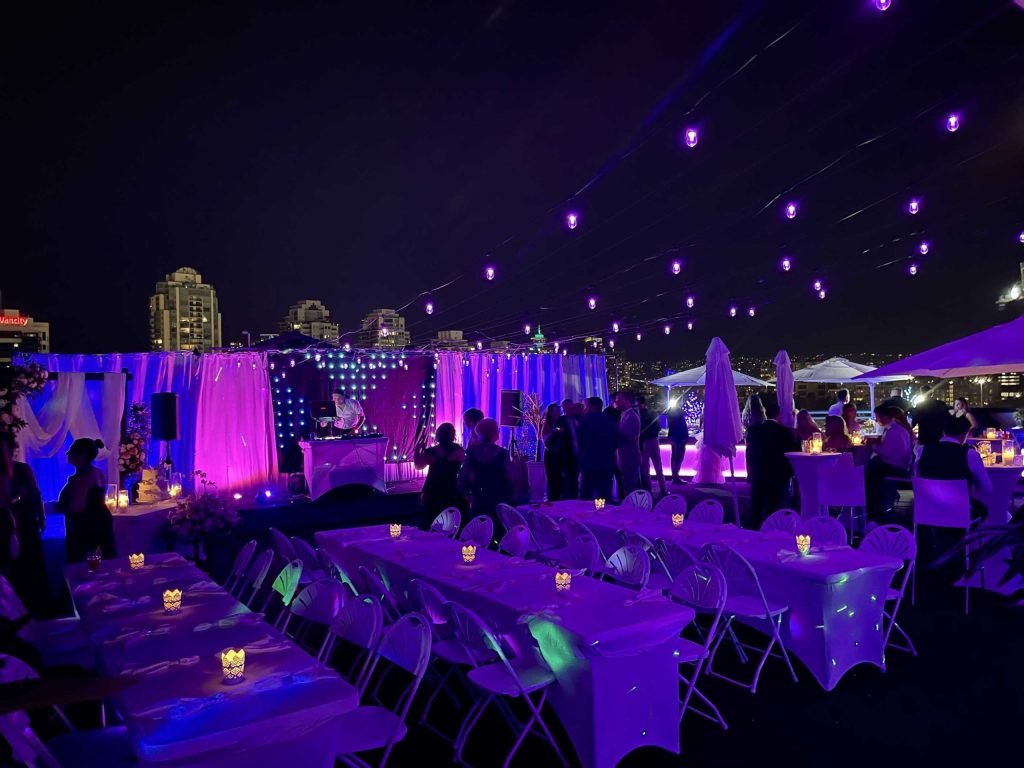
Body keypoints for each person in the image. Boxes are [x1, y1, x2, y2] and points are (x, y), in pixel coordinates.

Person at [0, 433, 48, 613]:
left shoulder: (22, 469)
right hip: (6, 523)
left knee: (30, 559)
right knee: (12, 562)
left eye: (10, 449)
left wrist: (41, 516)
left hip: (25, 520)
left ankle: (35, 601)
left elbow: (36, 494)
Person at [916, 416, 992, 519]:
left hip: (927, 509)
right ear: (965, 433)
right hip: (958, 513)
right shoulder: (969, 454)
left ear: (943, 432)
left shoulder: (922, 450)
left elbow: (917, 476)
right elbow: (986, 489)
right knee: (982, 509)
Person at [56, 438, 115, 563]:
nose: (67, 453)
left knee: (86, 566)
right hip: (98, 521)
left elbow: (77, 506)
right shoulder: (96, 472)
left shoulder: (84, 477)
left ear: (81, 455)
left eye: (71, 451)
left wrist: (56, 507)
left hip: (86, 526)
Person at [746, 401, 800, 527]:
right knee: (775, 503)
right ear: (779, 414)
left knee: (757, 503)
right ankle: (773, 529)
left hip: (759, 471)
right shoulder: (785, 432)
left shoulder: (754, 430)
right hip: (779, 473)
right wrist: (790, 473)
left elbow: (749, 452)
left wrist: (750, 470)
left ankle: (754, 529)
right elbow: (790, 454)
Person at [457, 418, 512, 524]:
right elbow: (509, 476)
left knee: (478, 527)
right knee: (497, 528)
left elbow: (462, 475)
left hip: (478, 496)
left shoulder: (472, 451)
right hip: (497, 496)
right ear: (494, 433)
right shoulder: (502, 453)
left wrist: (466, 493)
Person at [864, 405, 914, 519]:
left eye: (878, 417)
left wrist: (872, 444)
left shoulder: (893, 431)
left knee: (870, 473)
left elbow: (885, 451)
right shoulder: (900, 430)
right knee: (873, 466)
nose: (877, 420)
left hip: (896, 467)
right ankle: (878, 503)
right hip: (902, 465)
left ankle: (873, 509)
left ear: (885, 417)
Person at [415, 423, 467, 521]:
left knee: (432, 518)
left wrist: (417, 450)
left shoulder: (432, 452)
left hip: (433, 488)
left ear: (438, 435)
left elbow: (418, 466)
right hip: (451, 487)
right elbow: (464, 468)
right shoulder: (458, 451)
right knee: (451, 519)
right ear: (453, 435)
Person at [577, 397, 617, 500]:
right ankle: (601, 512)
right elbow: (618, 439)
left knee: (587, 493)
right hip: (606, 463)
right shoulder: (609, 420)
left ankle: (586, 514)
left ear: (590, 406)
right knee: (603, 494)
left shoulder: (586, 420)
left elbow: (580, 441)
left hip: (589, 463)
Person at [636, 395, 666, 497]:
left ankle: (648, 492)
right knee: (658, 466)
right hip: (655, 440)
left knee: (645, 468)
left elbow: (639, 430)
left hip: (644, 442)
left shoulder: (638, 415)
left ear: (640, 404)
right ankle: (663, 490)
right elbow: (658, 427)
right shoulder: (653, 412)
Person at [614, 391, 642, 498]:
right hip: (626, 457)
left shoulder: (632, 416)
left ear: (627, 401)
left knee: (631, 488)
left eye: (619, 400)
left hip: (630, 457)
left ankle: (632, 511)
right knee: (628, 486)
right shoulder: (625, 415)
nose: (616, 403)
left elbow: (626, 438)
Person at [554, 399, 580, 500]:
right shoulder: (562, 420)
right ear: (564, 409)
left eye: (572, 408)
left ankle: (574, 499)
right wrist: (560, 430)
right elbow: (556, 428)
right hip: (567, 456)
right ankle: (567, 501)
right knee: (568, 481)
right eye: (568, 409)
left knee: (575, 480)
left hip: (578, 455)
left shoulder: (578, 419)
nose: (571, 410)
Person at [541, 403, 564, 501]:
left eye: (558, 411)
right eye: (554, 411)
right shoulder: (547, 425)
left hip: (562, 456)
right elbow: (545, 440)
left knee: (561, 482)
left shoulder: (562, 422)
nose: (557, 413)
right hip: (551, 456)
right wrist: (555, 432)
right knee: (553, 481)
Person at [666, 401, 689, 485]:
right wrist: (685, 437)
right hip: (679, 438)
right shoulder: (677, 412)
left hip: (675, 437)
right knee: (678, 457)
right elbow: (681, 426)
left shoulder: (670, 412)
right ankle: (676, 477)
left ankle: (675, 476)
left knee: (675, 457)